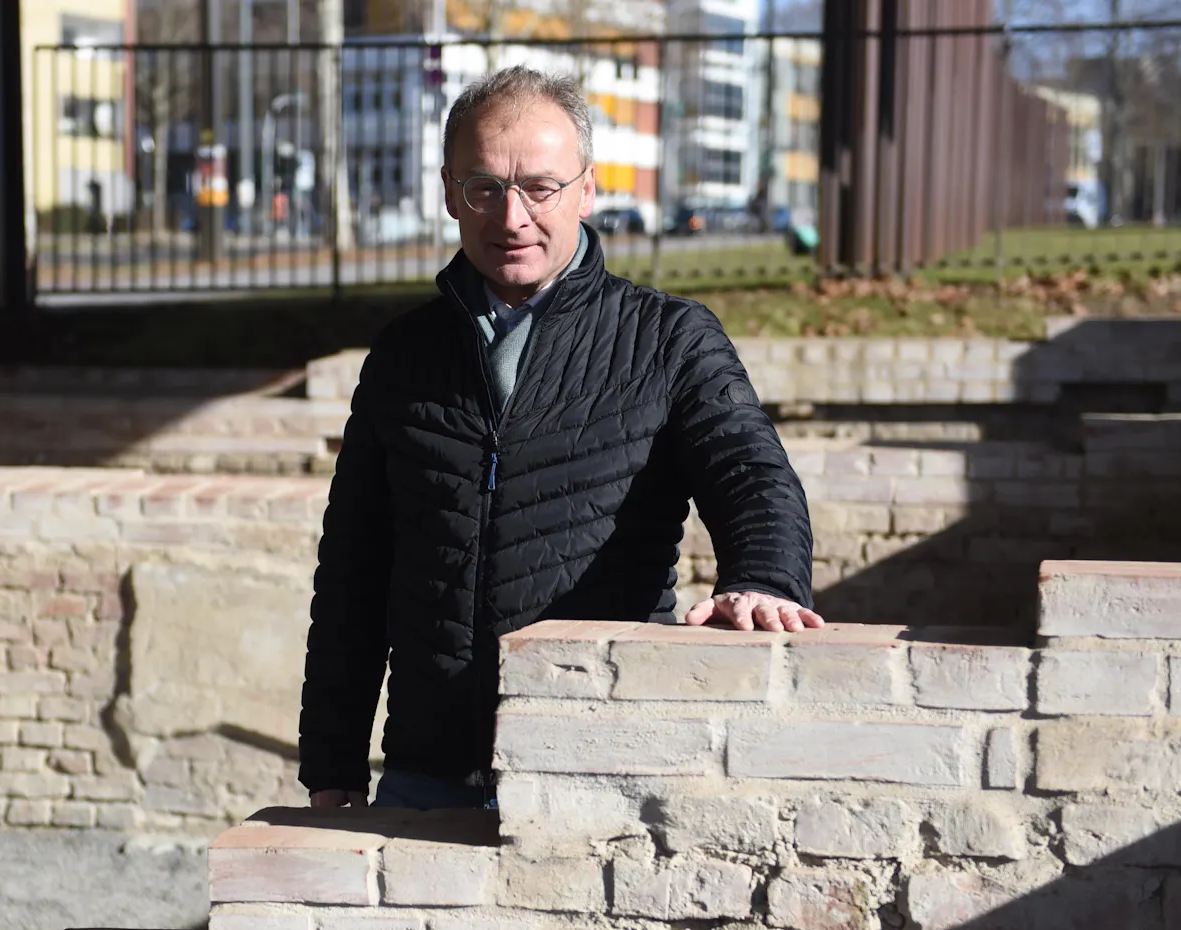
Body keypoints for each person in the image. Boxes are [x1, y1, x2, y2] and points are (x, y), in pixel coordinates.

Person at [298, 67, 818, 811]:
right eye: (484, 188)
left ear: (586, 189)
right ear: (449, 192)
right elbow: (353, 570)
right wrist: (333, 763)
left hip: (603, 761)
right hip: (427, 770)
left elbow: (752, 473)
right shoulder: (403, 357)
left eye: (540, 187)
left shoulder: (669, 339)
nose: (511, 216)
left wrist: (764, 577)